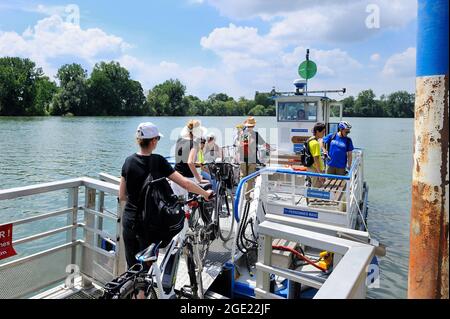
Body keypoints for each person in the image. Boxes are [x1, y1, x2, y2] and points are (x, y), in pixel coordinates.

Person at [119, 122, 213, 270]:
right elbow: (185, 184)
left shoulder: (128, 161)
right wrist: (205, 193)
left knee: (133, 270)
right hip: (148, 225)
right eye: (158, 139)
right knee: (145, 271)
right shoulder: (158, 161)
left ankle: (133, 292)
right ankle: (144, 292)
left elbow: (122, 195)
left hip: (129, 221)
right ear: (153, 141)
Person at [237, 117, 271, 199]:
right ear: (254, 126)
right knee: (250, 179)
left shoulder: (243, 134)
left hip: (242, 159)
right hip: (252, 160)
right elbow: (264, 144)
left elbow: (240, 147)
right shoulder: (255, 134)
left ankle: (240, 195)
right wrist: (271, 149)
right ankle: (247, 196)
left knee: (242, 178)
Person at [173, 120, 208, 196]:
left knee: (179, 206)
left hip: (175, 178)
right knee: (188, 206)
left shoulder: (179, 141)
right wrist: (199, 179)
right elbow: (189, 162)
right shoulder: (194, 144)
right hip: (187, 180)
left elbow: (182, 161)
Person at [306, 123, 327, 187]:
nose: (324, 134)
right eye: (323, 132)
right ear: (318, 131)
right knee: (317, 190)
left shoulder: (310, 140)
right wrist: (320, 174)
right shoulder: (316, 144)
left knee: (312, 187)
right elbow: (316, 160)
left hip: (310, 168)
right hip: (316, 170)